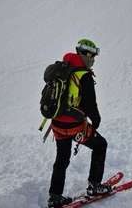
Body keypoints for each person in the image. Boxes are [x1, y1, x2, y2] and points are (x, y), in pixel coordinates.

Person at [47, 39, 111, 208]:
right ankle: (95, 186)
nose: (94, 60)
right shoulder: (84, 75)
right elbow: (91, 104)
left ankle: (55, 196)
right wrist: (96, 121)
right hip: (74, 126)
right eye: (92, 56)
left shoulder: (63, 68)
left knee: (62, 159)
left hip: (57, 124)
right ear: (86, 54)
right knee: (100, 145)